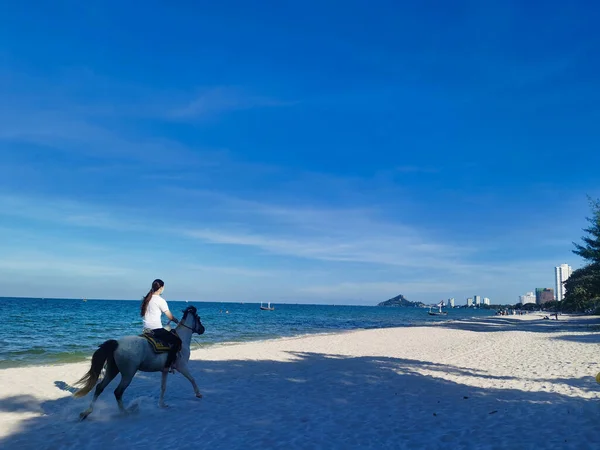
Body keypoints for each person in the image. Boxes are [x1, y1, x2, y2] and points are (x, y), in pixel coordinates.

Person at [140, 279, 182, 372]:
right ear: (161, 288)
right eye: (163, 287)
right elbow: (170, 316)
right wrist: (177, 321)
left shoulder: (148, 299)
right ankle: (168, 366)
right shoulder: (160, 300)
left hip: (146, 330)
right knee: (177, 341)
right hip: (156, 330)